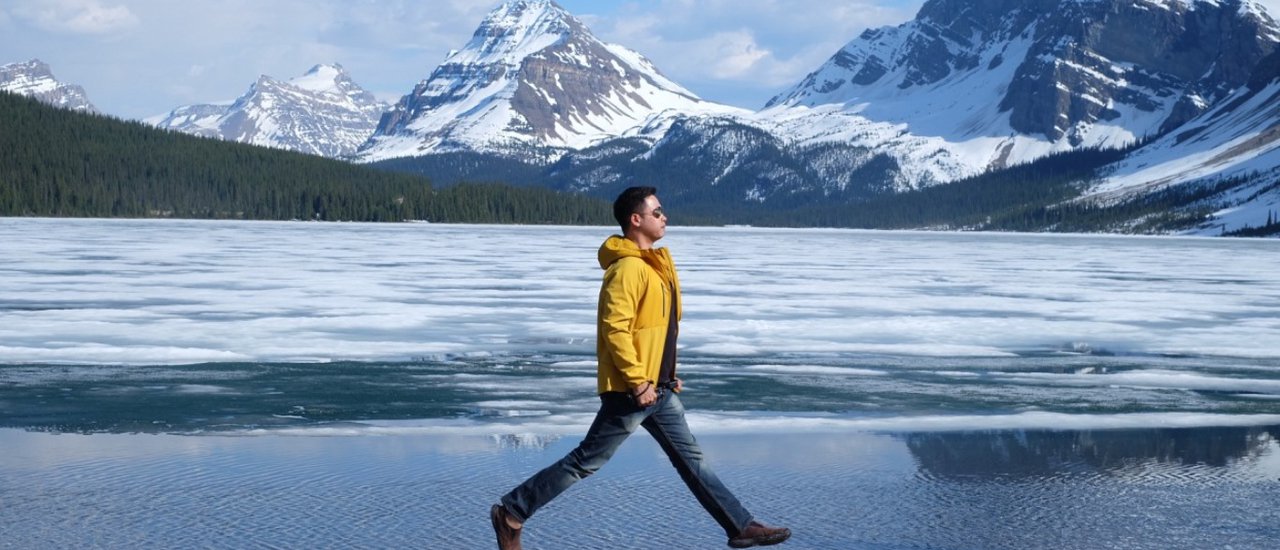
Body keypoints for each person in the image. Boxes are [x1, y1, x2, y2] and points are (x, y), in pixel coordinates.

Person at [490, 186, 791, 549]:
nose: (665, 217)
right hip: (633, 391)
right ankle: (512, 512)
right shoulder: (628, 269)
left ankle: (739, 525)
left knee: (692, 460)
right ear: (636, 220)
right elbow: (615, 329)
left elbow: (657, 330)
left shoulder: (654, 265)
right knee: (586, 460)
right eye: (657, 212)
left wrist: (666, 374)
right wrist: (637, 381)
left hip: (658, 388)